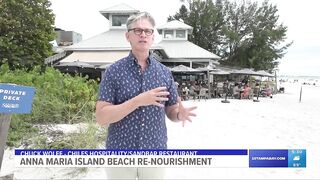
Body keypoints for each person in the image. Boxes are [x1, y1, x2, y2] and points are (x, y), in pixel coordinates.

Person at [95, 12, 197, 180]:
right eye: (137, 30)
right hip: (120, 152)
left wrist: (179, 114)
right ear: (127, 36)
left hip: (155, 151)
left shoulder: (164, 73)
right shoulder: (113, 72)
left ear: (153, 36)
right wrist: (138, 101)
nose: (143, 34)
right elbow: (101, 117)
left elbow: (171, 110)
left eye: (147, 31)